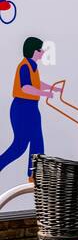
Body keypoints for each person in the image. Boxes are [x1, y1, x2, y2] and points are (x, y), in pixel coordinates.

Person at [0, 37, 55, 179]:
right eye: (40, 49)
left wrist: (51, 88)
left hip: (32, 108)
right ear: (33, 51)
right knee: (20, 145)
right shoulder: (24, 66)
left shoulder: (33, 67)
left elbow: (36, 83)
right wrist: (44, 93)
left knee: (38, 141)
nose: (42, 52)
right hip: (22, 108)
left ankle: (34, 174)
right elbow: (26, 88)